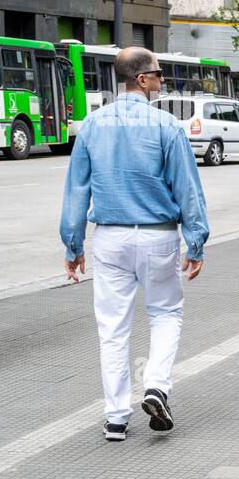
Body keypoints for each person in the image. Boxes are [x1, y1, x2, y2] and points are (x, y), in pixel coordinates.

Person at [60, 47, 210, 442]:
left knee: (112, 328)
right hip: (159, 234)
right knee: (165, 314)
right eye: (159, 74)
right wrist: (196, 241)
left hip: (110, 236)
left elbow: (76, 190)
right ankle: (156, 386)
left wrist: (73, 244)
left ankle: (115, 419)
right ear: (142, 79)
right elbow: (187, 189)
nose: (162, 81)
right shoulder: (166, 126)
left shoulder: (92, 125)